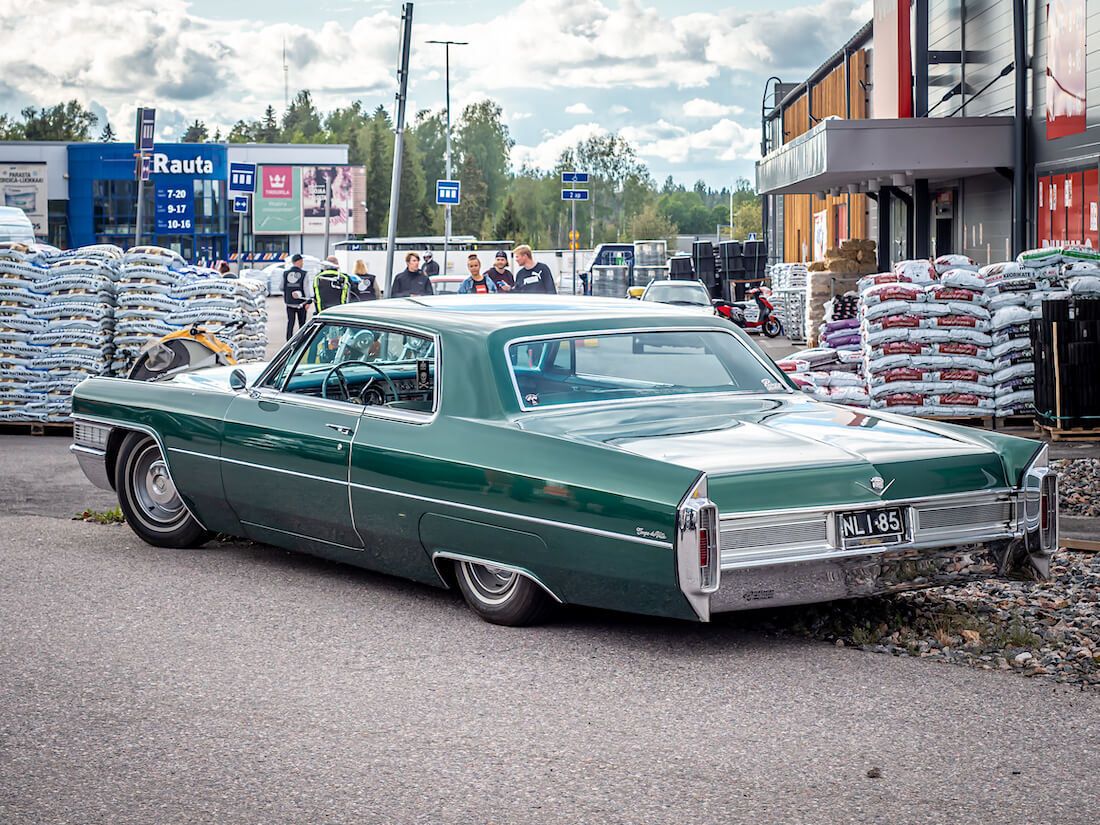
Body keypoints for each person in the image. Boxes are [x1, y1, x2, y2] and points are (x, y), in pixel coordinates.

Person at [282, 254, 310, 339]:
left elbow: (281, 287)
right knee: (302, 323)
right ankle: (301, 340)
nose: (302, 264)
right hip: (301, 303)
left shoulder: (285, 273)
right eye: (302, 262)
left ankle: (288, 340)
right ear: (299, 261)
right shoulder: (304, 273)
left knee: (290, 322)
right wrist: (308, 301)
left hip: (289, 302)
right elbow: (306, 288)